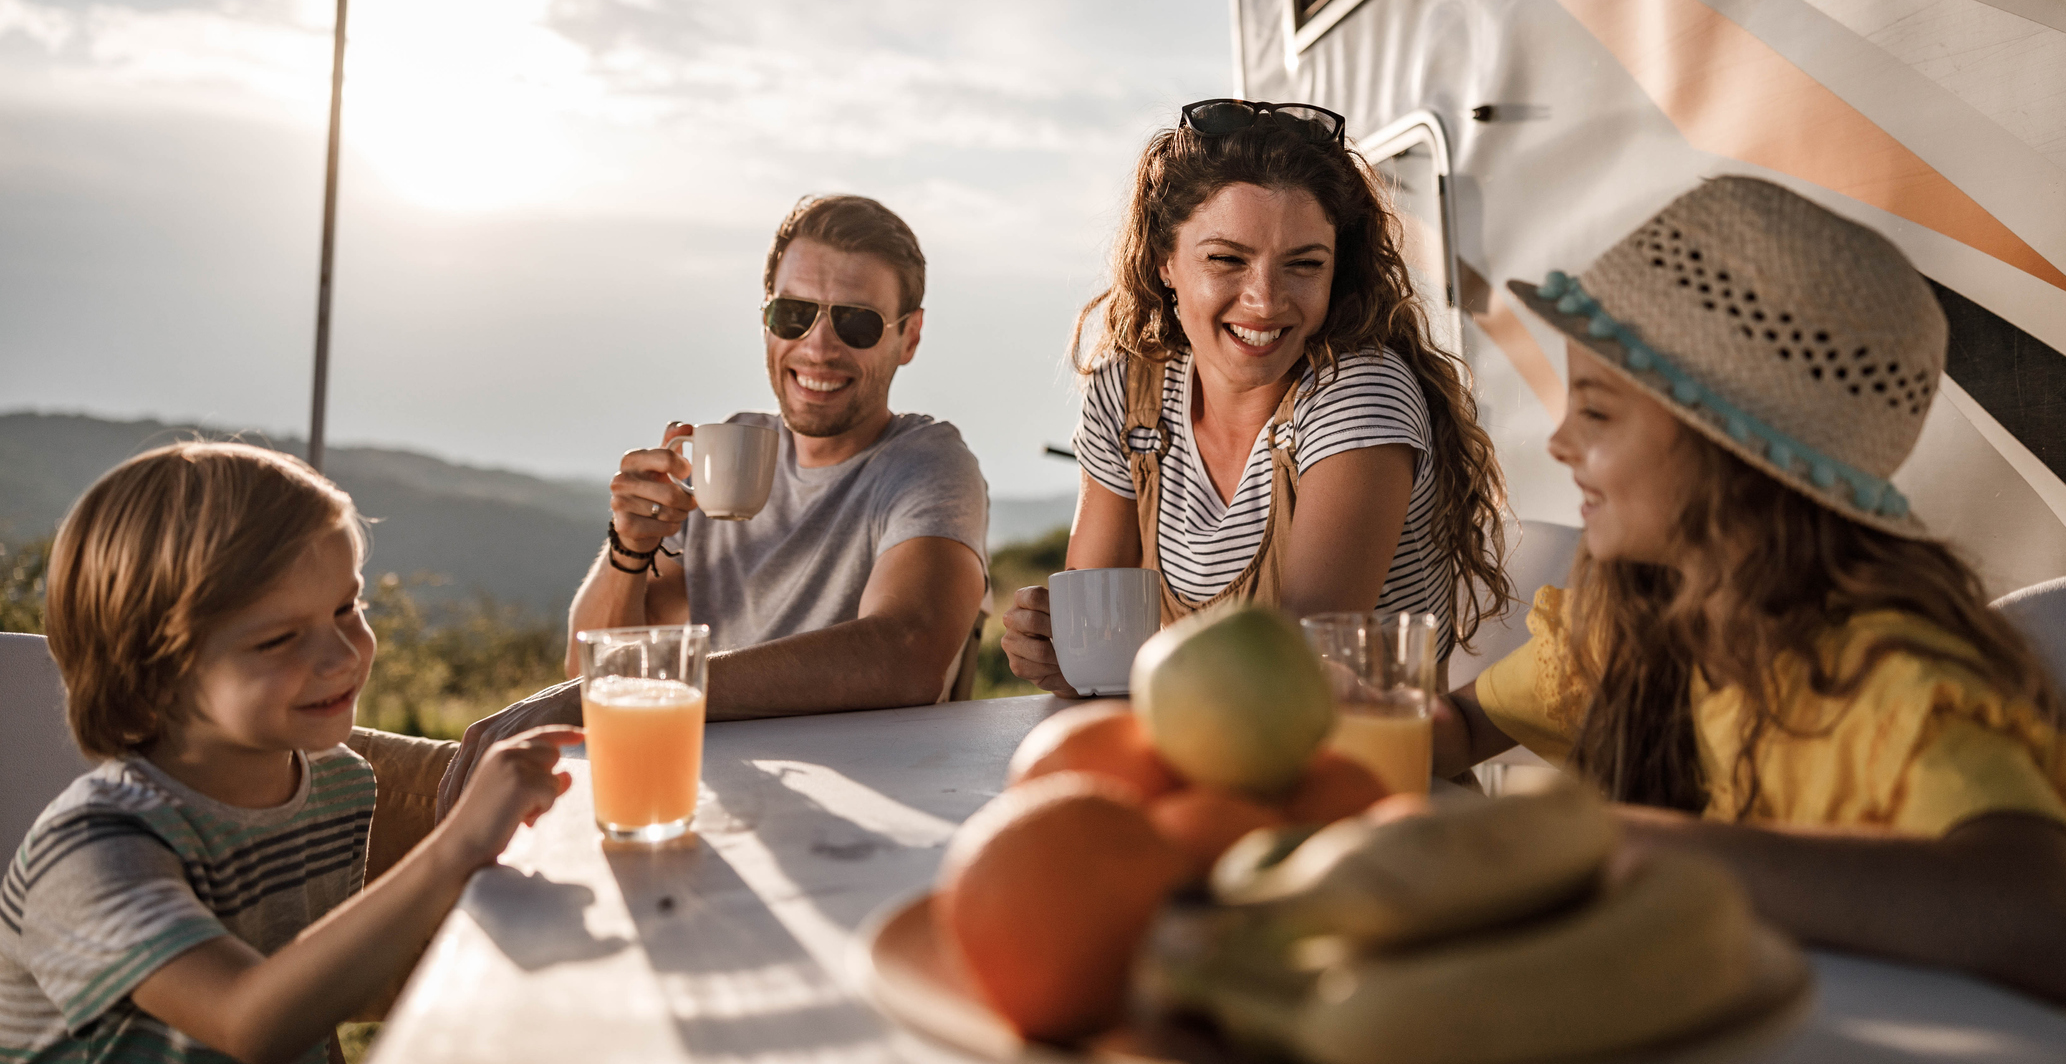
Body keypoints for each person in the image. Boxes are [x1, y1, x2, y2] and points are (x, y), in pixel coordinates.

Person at [1432, 175, 2066, 1019]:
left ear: (1730, 457)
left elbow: (2045, 931)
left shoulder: (1884, 680)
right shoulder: (1634, 627)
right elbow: (1460, 726)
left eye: (1598, 413)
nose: (1560, 442)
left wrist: (1635, 850)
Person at [0, 442, 576, 1064]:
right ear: (152, 673)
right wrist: (456, 847)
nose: (342, 655)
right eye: (279, 639)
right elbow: (249, 1024)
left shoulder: (338, 784)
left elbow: (308, 1013)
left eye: (346, 608)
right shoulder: (93, 852)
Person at [439, 195, 988, 808]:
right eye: (794, 314)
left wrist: (640, 683)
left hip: (871, 808)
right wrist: (630, 548)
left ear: (908, 336)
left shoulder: (925, 462)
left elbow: (905, 654)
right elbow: (586, 666)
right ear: (766, 319)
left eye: (855, 323)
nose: (818, 347)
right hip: (716, 796)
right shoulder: (726, 450)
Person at [1002, 100, 1510, 695]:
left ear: (1336, 269)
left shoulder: (1359, 392)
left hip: (1359, 774)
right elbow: (1097, 645)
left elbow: (1293, 671)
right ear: (1165, 260)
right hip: (1191, 759)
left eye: (1303, 265)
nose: (1265, 301)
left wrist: (1123, 668)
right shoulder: (1128, 392)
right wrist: (1060, 652)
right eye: (1226, 260)